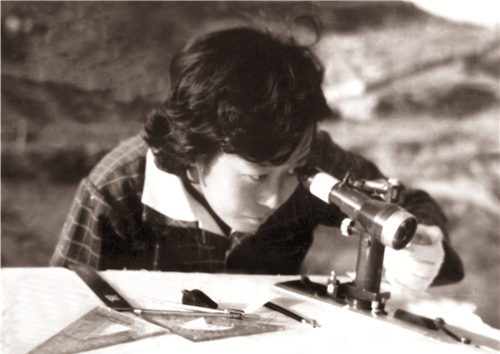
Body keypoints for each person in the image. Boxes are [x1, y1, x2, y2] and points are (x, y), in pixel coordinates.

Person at [50, 24, 463, 291]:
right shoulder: (116, 191)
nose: (276, 198)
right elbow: (57, 313)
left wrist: (424, 246)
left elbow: (407, 205)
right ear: (195, 153)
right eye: (258, 177)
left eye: (292, 174)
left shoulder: (306, 158)